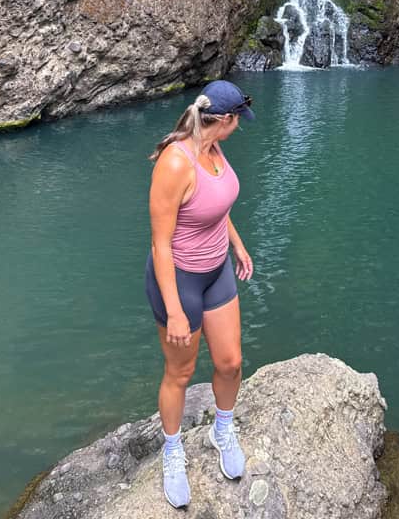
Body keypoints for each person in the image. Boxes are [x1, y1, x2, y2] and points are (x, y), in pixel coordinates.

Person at [145, 79, 255, 509]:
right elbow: (161, 243)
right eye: (238, 121)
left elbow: (215, 208)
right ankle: (172, 452)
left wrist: (238, 245)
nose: (240, 127)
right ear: (224, 120)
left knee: (230, 362)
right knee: (180, 373)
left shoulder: (213, 148)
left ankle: (221, 428)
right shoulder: (176, 162)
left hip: (217, 270)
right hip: (180, 280)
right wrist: (174, 309)